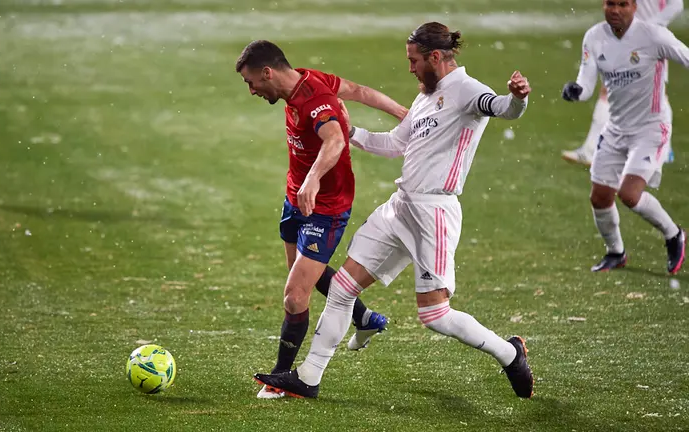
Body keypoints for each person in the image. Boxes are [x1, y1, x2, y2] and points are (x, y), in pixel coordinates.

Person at [254, 22, 534, 399]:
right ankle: (308, 377)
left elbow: (504, 109)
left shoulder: (469, 91)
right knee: (341, 288)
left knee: (435, 316)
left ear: (436, 57)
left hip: (434, 212)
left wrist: (518, 98)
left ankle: (509, 353)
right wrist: (351, 132)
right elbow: (393, 144)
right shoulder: (424, 97)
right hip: (401, 207)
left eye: (414, 61)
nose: (410, 68)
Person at [235, 40, 408, 399]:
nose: (251, 90)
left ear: (268, 72)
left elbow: (334, 141)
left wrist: (313, 179)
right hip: (295, 198)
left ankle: (282, 379)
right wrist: (404, 113)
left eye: (252, 82)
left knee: (294, 297)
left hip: (325, 208)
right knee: (302, 278)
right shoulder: (309, 80)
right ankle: (364, 318)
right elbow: (358, 91)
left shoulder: (315, 100)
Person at [561, 0, 686, 274]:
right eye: (610, 3)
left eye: (622, 4)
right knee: (600, 197)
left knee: (629, 194)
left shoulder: (653, 35)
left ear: (635, 7)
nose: (615, 10)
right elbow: (586, 85)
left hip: (651, 128)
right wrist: (575, 91)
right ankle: (616, 252)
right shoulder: (594, 37)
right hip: (616, 129)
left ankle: (674, 234)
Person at [561, 0, 683, 166]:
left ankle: (663, 148)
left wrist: (649, 28)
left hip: (649, 43)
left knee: (658, 93)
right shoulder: (595, 35)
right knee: (610, 89)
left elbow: (676, 5)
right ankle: (592, 148)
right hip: (623, 39)